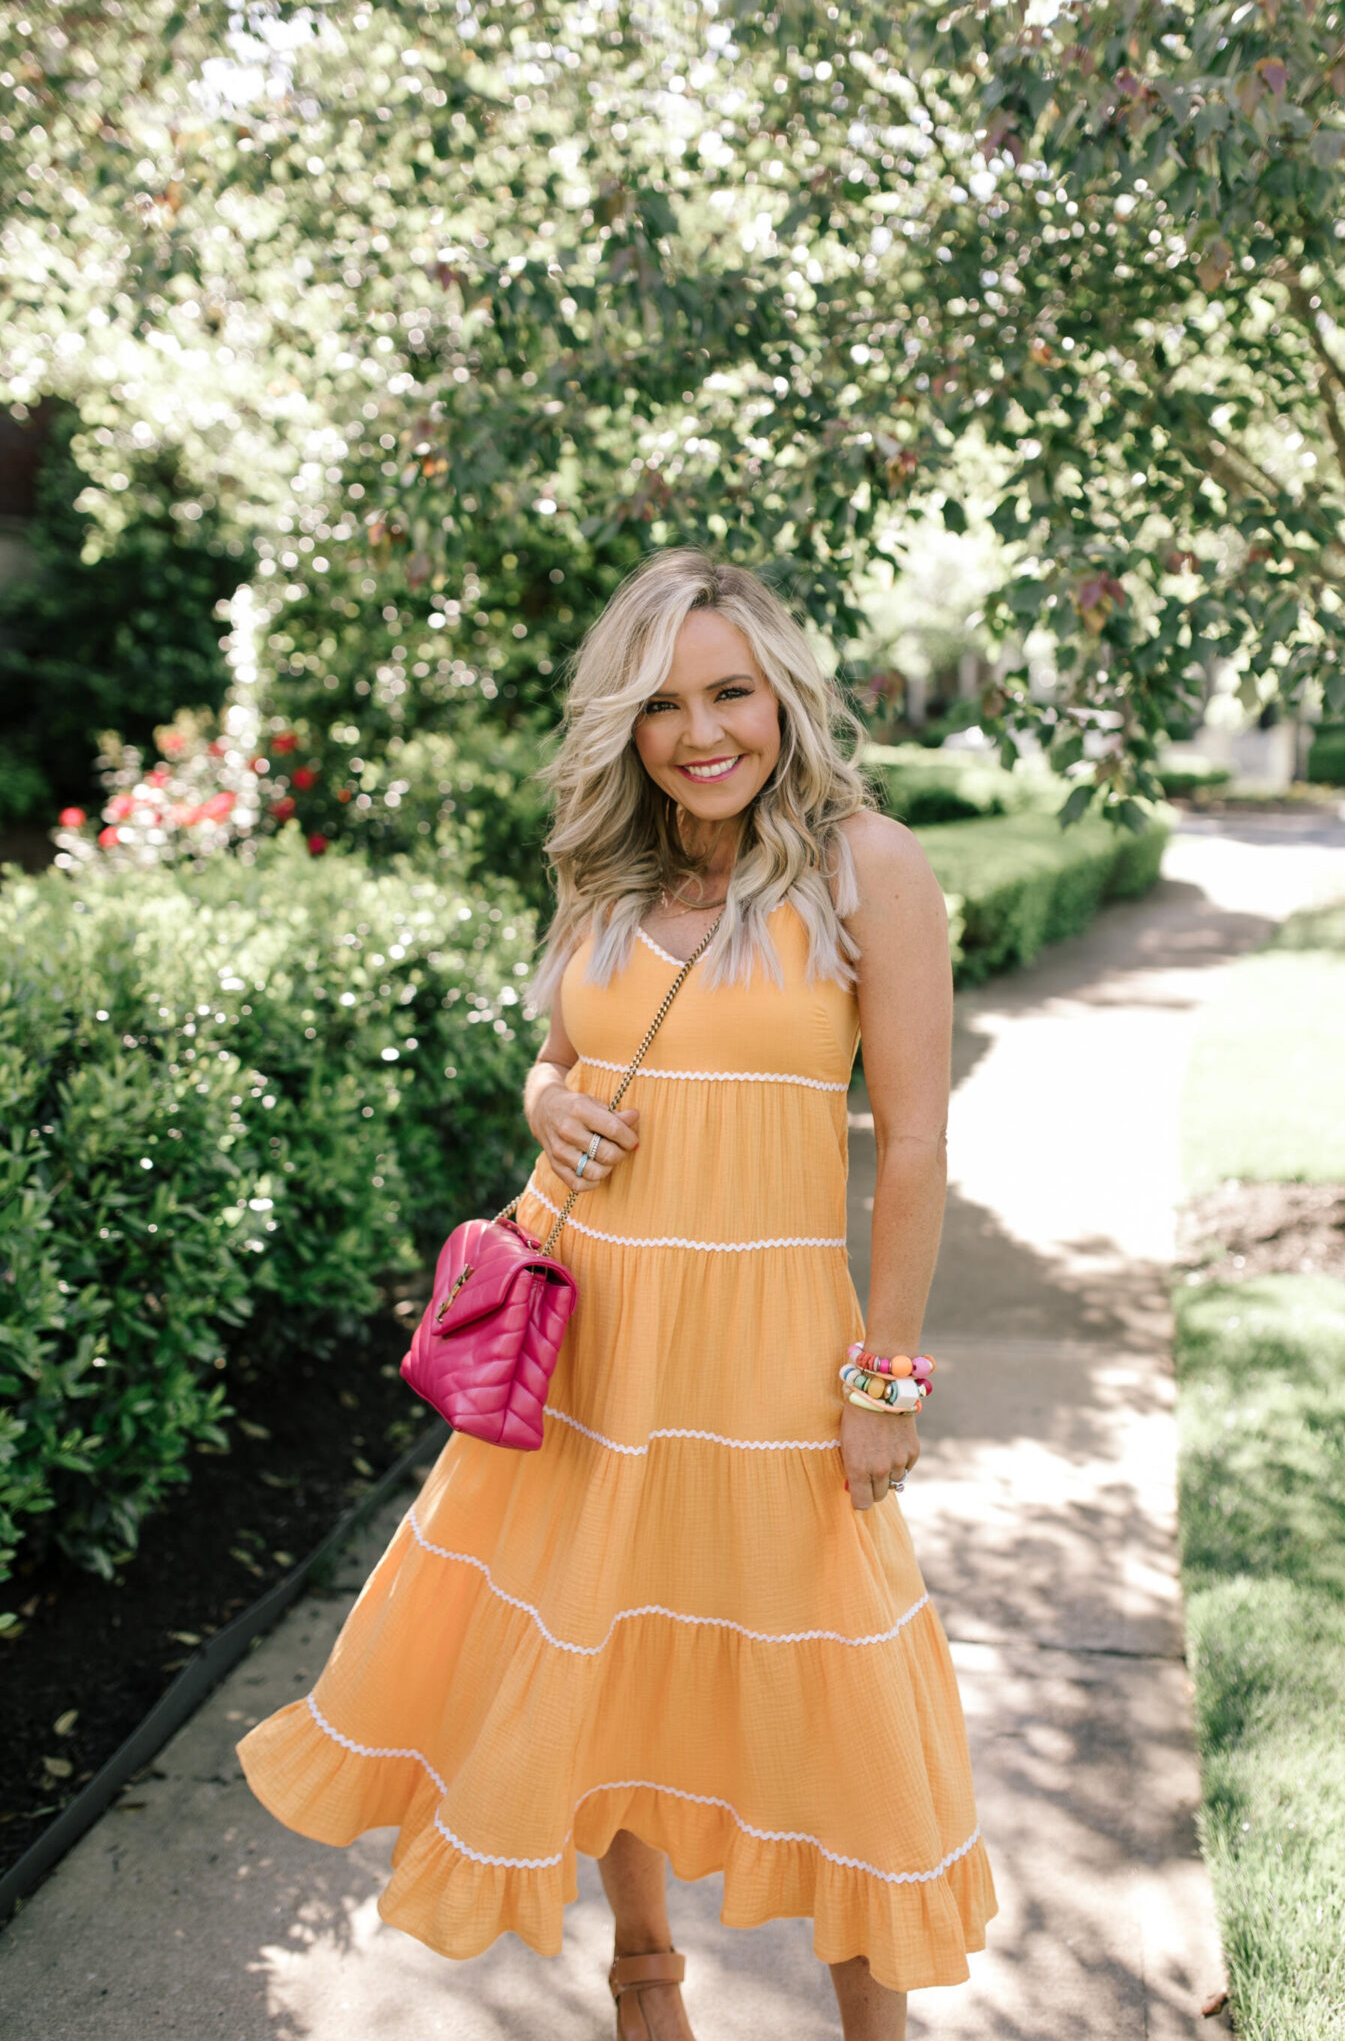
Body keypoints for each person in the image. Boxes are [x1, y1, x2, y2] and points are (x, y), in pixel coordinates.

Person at [237, 549, 996, 2039]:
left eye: (730, 693)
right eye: (661, 704)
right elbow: (570, 1052)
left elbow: (913, 1142)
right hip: (592, 1343)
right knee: (606, 1662)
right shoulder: (607, 864)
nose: (701, 732)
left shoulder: (869, 868)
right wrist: (541, 1101)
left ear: (782, 693)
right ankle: (645, 1976)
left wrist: (883, 1385)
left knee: (838, 1701)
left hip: (773, 1354)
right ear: (623, 726)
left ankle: (876, 2028)